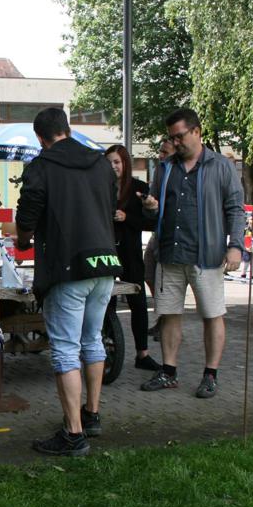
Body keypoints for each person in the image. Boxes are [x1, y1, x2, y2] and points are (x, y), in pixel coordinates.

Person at [15, 107, 122, 456]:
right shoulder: (101, 163)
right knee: (92, 339)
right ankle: (91, 415)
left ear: (40, 138)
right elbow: (108, 209)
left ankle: (73, 434)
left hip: (66, 268)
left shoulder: (41, 167)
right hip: (104, 263)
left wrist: (23, 240)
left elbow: (27, 218)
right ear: (68, 129)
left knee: (64, 349)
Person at [139, 107, 245, 399]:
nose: (175, 143)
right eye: (172, 138)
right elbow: (154, 213)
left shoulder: (221, 166)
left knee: (212, 315)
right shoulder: (165, 168)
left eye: (180, 136)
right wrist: (151, 209)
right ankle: (168, 371)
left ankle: (210, 375)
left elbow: (236, 209)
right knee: (169, 314)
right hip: (169, 254)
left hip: (207, 256)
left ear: (197, 132)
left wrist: (235, 246)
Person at [105, 145, 160, 371]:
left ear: (125, 163)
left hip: (130, 254)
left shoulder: (138, 188)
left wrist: (127, 217)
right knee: (105, 303)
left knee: (138, 304)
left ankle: (142, 354)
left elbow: (151, 223)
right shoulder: (101, 188)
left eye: (117, 162)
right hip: (106, 255)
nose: (113, 166)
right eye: (109, 162)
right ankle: (106, 349)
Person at [145, 138, 175, 341]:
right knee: (147, 270)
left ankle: (167, 321)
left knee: (170, 284)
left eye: (165, 152)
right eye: (160, 151)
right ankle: (162, 316)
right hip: (158, 231)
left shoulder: (179, 172)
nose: (160, 155)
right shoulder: (160, 171)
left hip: (173, 236)